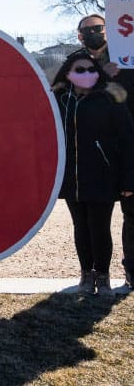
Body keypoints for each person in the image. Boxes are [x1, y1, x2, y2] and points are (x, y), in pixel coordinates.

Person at [52, 50, 134, 296]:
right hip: (72, 178)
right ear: (68, 74)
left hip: (103, 176)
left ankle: (103, 276)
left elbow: (128, 140)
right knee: (81, 227)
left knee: (100, 227)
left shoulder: (110, 100)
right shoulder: (60, 101)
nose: (86, 74)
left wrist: (129, 179)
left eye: (91, 70)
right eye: (79, 70)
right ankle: (86, 274)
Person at [72, 14, 134, 291]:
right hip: (94, 155)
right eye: (88, 30)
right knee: (93, 221)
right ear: (79, 36)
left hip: (127, 146)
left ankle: (131, 271)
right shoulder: (75, 62)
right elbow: (72, 93)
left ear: (108, 31)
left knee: (132, 214)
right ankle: (93, 274)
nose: (94, 33)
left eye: (98, 28)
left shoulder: (128, 59)